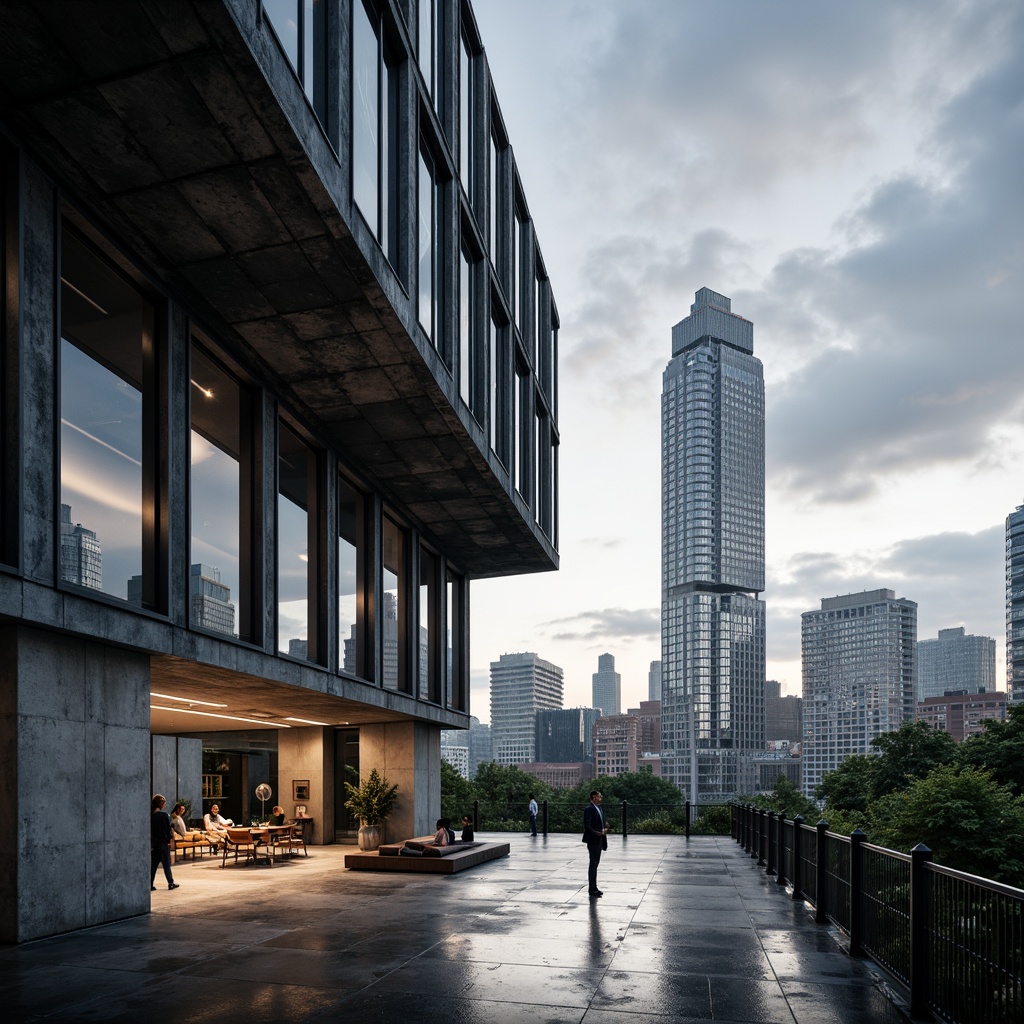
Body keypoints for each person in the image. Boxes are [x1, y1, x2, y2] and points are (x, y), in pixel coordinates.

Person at [582, 790, 609, 897]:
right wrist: (596, 833)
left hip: (600, 839)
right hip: (593, 839)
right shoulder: (589, 809)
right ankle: (592, 888)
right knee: (593, 863)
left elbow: (602, 822)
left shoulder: (600, 809)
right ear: (594, 797)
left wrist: (606, 827)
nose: (600, 798)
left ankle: (594, 887)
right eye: (599, 796)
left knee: (595, 863)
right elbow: (587, 825)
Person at [150, 794, 179, 891]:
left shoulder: (151, 817)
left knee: (153, 866)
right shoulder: (164, 815)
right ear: (161, 804)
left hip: (154, 845)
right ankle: (170, 883)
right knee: (166, 864)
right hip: (163, 844)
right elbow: (168, 830)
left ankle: (150, 884)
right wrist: (170, 836)